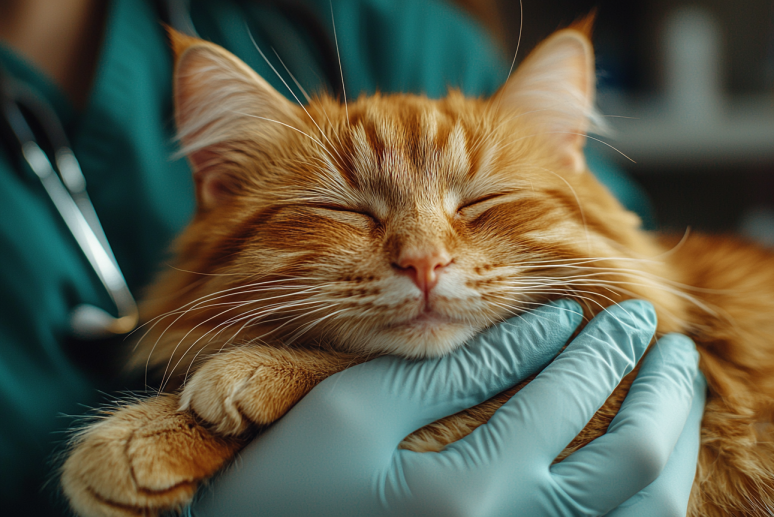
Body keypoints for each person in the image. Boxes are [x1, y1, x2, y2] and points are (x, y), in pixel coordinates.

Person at [0, 0, 704, 515]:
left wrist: (302, 379)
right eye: (343, 210)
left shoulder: (387, 27)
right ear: (221, 180)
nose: (423, 254)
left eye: (481, 204)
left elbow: (615, 286)